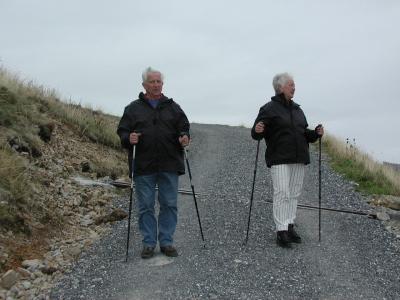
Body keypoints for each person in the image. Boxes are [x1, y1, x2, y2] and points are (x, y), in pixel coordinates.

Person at [117, 67, 190, 258]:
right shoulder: (132, 108)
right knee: (146, 206)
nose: (156, 85)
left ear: (162, 84)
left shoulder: (173, 107)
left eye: (159, 82)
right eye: (152, 82)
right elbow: (122, 132)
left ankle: (166, 242)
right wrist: (128, 138)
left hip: (169, 164)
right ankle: (148, 243)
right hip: (143, 165)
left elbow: (184, 127)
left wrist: (184, 137)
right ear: (144, 85)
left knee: (169, 204)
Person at [251, 72, 324, 248]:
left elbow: (304, 133)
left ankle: (290, 226)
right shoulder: (268, 108)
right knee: (282, 193)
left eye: (293, 85)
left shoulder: (298, 109)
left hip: (299, 158)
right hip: (279, 158)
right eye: (291, 84)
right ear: (281, 87)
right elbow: (256, 133)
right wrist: (258, 129)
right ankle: (281, 231)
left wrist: (315, 133)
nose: (294, 87)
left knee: (294, 193)